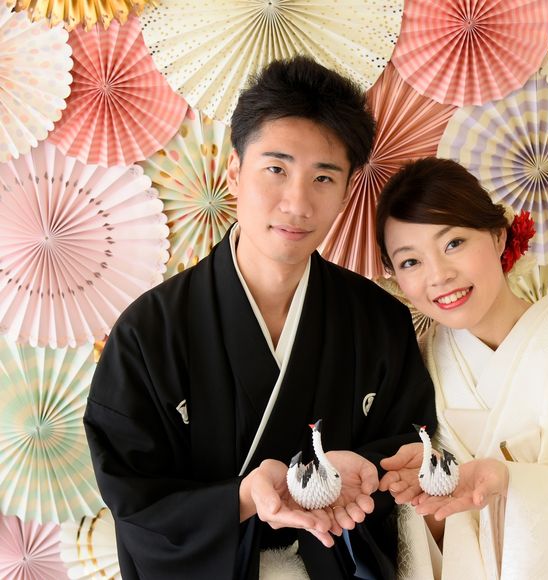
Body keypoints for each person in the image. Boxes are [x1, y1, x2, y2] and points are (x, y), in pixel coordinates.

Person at [83, 56, 437, 580]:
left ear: (346, 192)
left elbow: (411, 447)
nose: (297, 203)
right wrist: (244, 498)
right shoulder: (148, 332)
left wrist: (361, 476)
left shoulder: (380, 320)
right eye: (276, 169)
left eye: (323, 177)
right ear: (234, 172)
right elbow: (134, 501)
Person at [375, 157, 548, 580]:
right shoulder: (415, 368)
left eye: (453, 243)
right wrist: (426, 494)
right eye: (411, 262)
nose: (439, 276)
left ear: (498, 235)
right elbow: (434, 542)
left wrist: (509, 481)